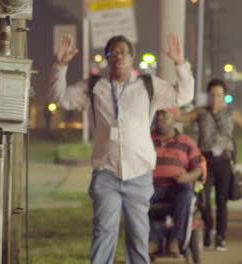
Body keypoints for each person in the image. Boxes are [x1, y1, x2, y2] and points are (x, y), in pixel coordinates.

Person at [48, 33, 194, 264]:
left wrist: (179, 64)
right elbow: (60, 97)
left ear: (131, 57)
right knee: (103, 232)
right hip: (106, 174)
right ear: (107, 58)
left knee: (138, 236)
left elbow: (184, 96)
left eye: (122, 52)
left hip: (139, 174)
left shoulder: (148, 85)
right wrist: (60, 66)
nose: (118, 57)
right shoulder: (95, 87)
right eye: (112, 53)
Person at [178, 78, 242, 251]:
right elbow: (180, 117)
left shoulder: (231, 113)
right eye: (212, 95)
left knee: (222, 201)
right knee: (203, 200)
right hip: (205, 162)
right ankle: (209, 226)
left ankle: (221, 237)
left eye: (219, 95)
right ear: (208, 96)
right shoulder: (201, 112)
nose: (215, 99)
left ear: (224, 96)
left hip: (224, 162)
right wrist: (175, 101)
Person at [149, 108, 206, 256]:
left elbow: (199, 167)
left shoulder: (186, 142)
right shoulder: (146, 140)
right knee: (136, 198)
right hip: (151, 185)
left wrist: (188, 177)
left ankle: (176, 240)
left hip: (177, 185)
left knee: (186, 195)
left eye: (164, 115)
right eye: (158, 115)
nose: (159, 119)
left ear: (173, 118)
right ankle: (152, 240)